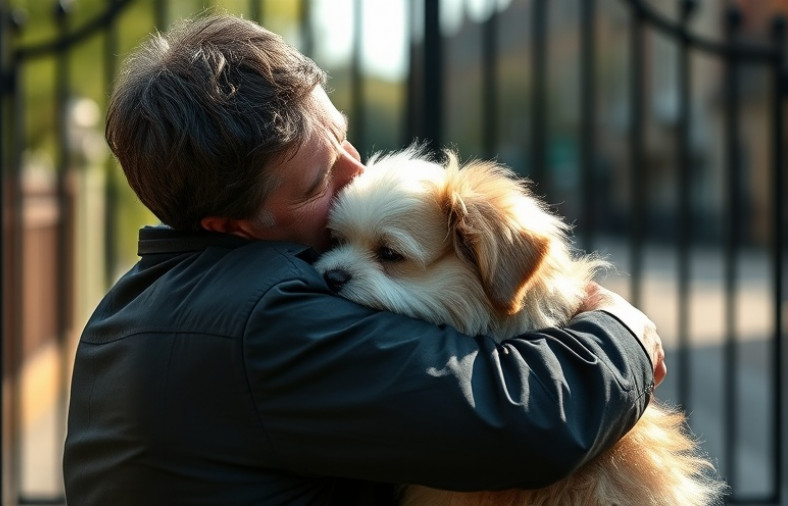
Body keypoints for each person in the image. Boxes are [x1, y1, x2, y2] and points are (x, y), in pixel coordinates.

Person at [62, 14, 666, 506]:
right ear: (229, 225)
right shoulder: (268, 321)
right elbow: (520, 419)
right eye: (318, 180)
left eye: (344, 139)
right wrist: (624, 331)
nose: (356, 174)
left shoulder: (137, 302)